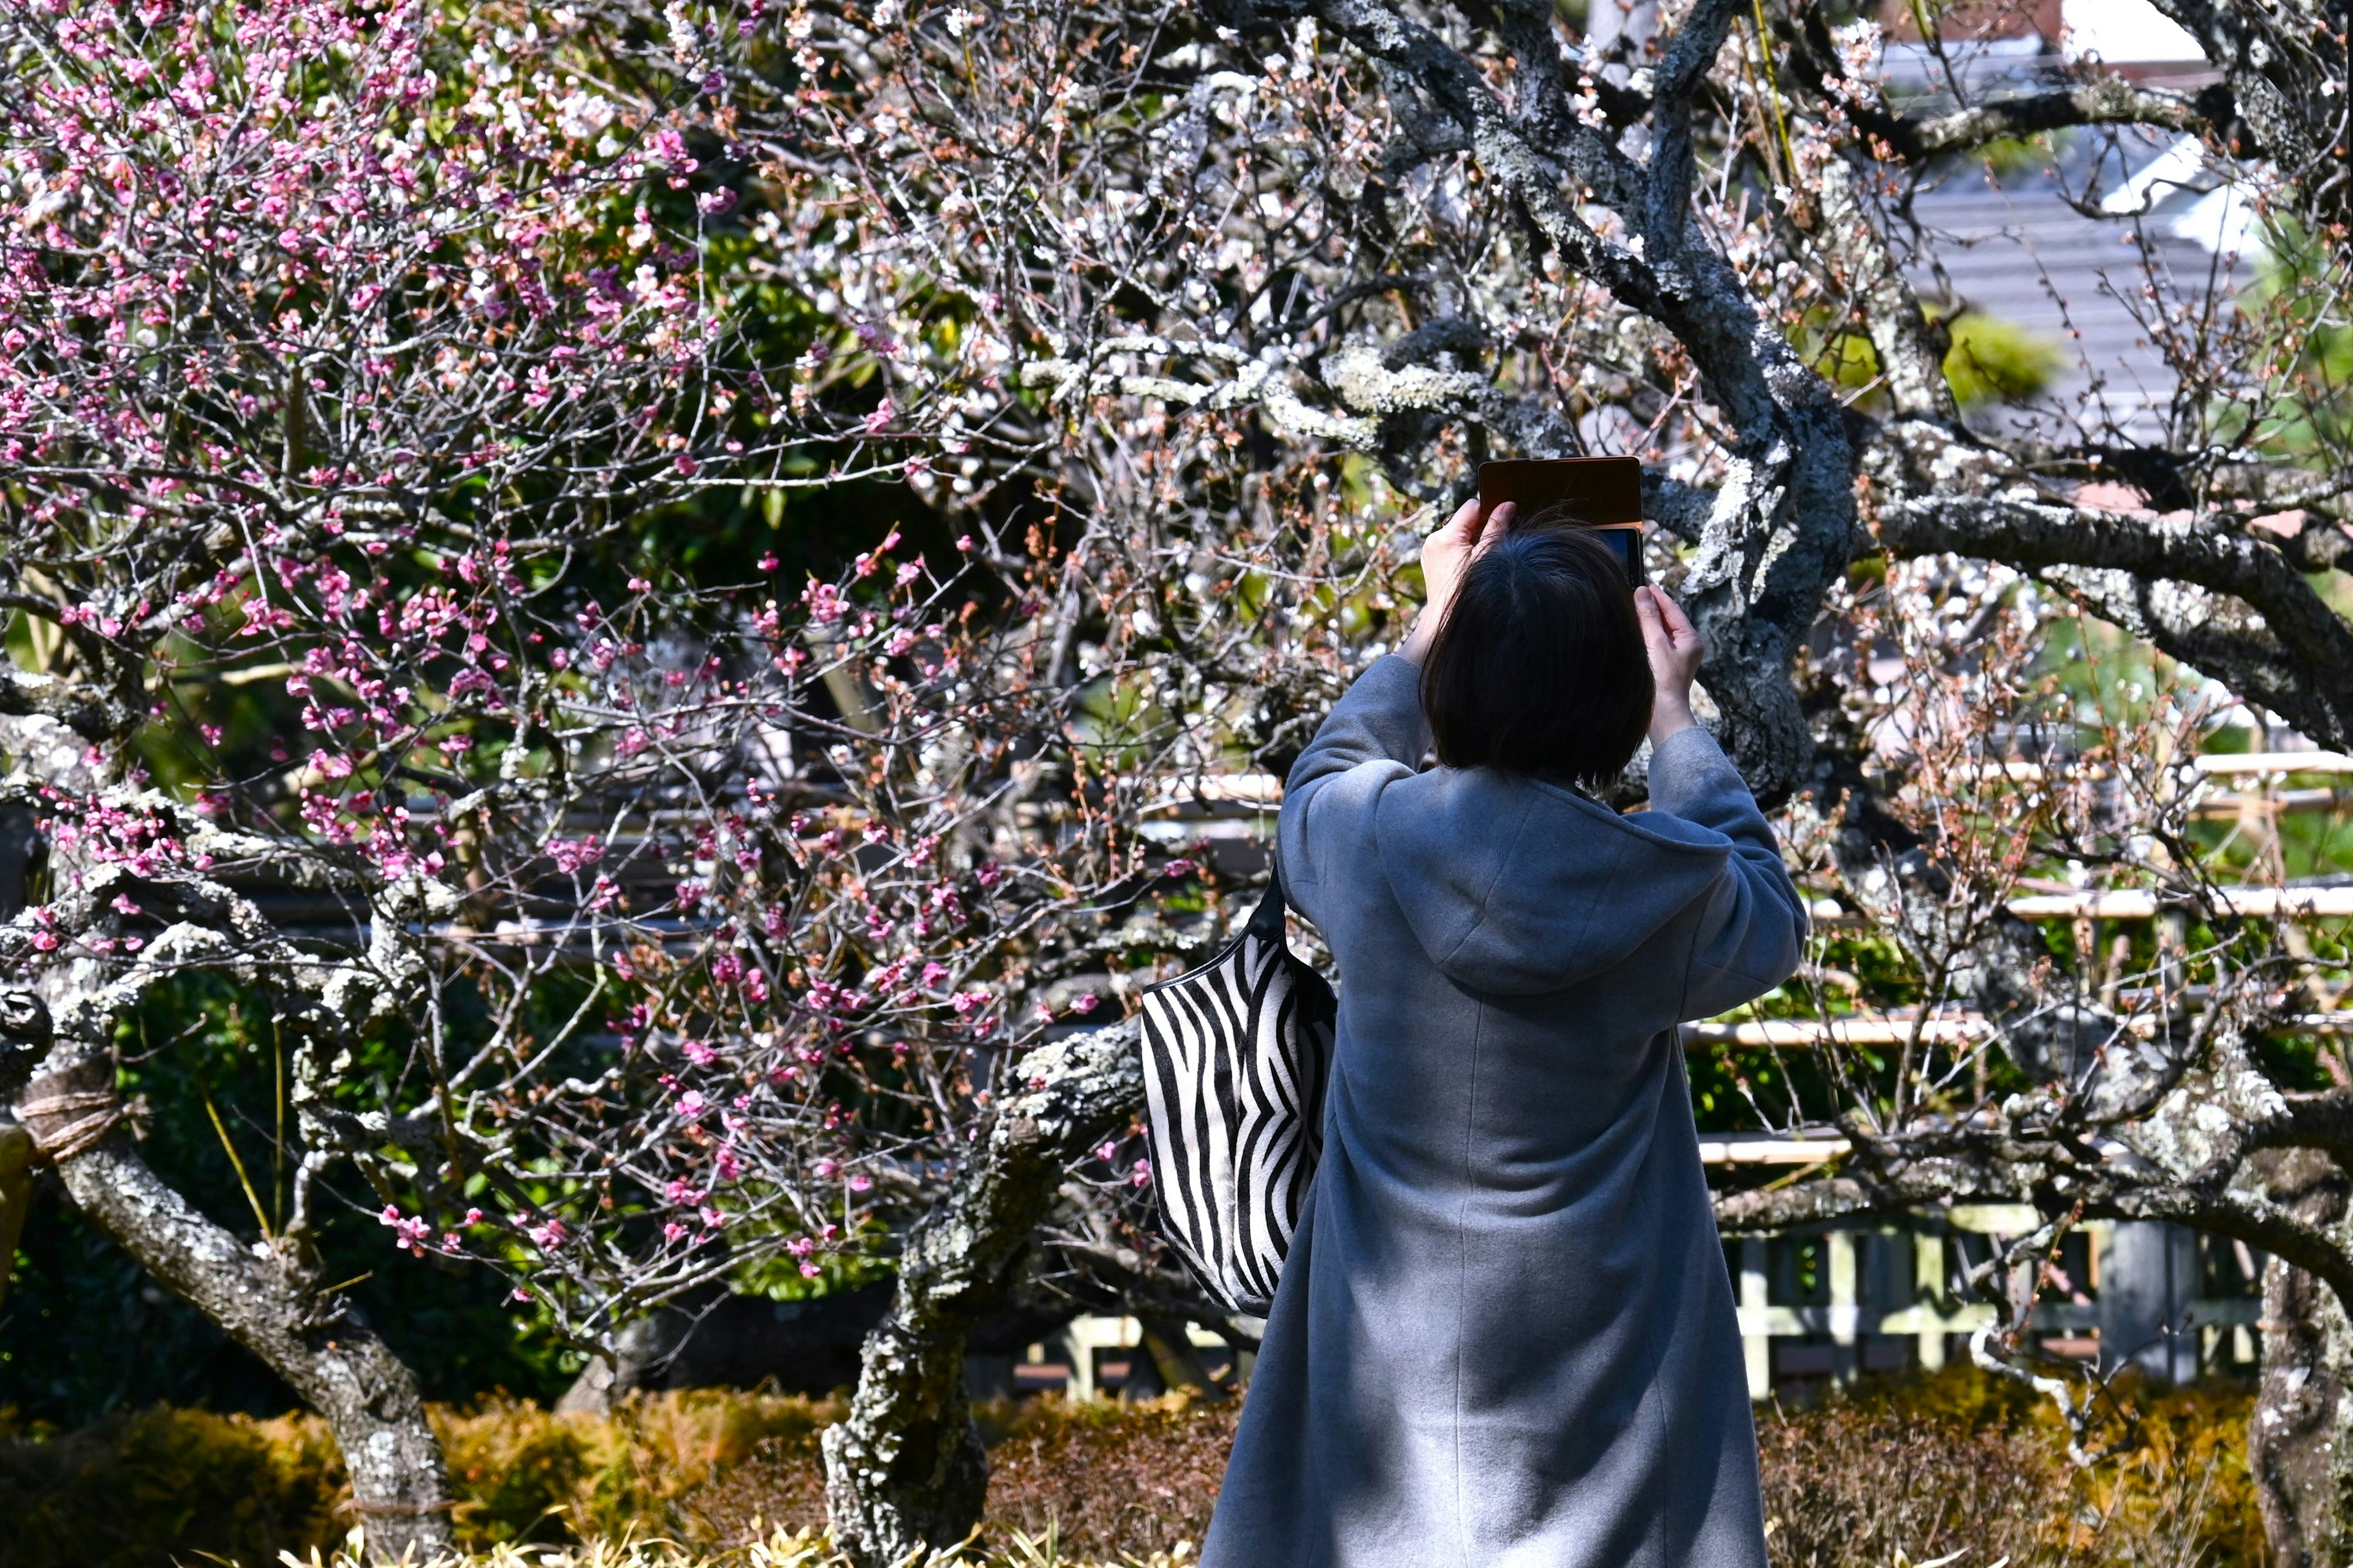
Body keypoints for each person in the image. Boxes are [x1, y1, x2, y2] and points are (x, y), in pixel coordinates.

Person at [1200, 497, 1806, 1567]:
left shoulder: (1369, 835)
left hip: (1388, 1356)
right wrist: (1677, 720)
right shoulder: (1665, 887)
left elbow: (1318, 781)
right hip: (1607, 1364)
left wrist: (1424, 631)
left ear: (1453, 688)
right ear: (1615, 697)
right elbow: (1767, 914)